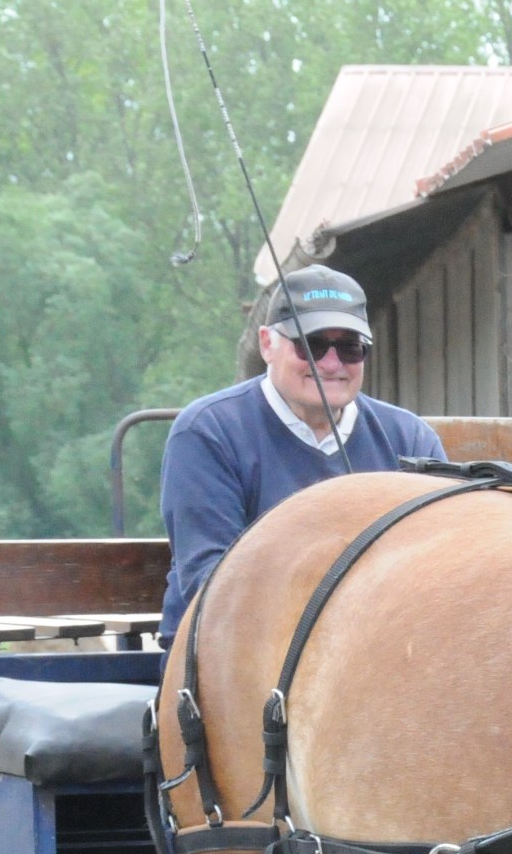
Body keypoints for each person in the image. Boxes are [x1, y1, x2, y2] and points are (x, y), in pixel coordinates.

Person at [157, 264, 447, 642]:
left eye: (350, 348)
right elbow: (211, 584)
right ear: (266, 344)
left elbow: (439, 568)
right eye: (310, 345)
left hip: (377, 649)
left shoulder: (410, 439)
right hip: (233, 651)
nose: (330, 363)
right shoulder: (207, 432)